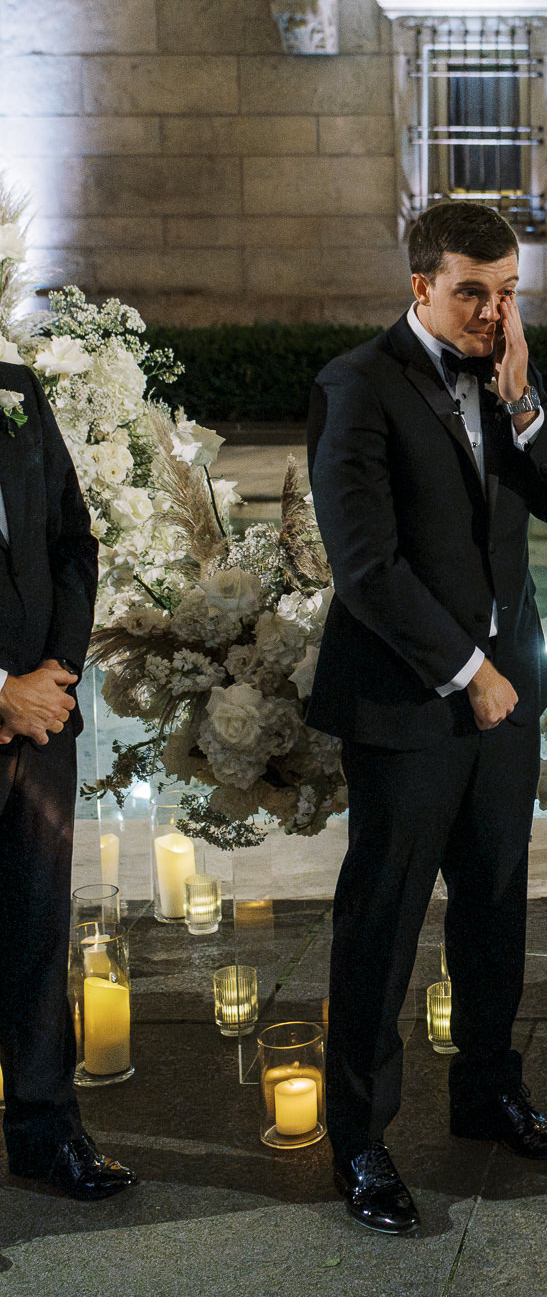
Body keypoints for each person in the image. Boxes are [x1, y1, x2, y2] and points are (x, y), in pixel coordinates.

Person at [307, 200, 547, 1236]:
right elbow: (366, 566)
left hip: (509, 704)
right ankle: (359, 1142)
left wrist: (524, 405)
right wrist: (467, 671)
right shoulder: (357, 384)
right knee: (381, 926)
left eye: (507, 292)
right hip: (408, 705)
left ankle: (487, 1093)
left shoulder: (507, 373)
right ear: (421, 285)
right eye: (472, 292)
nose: (492, 311)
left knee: (494, 908)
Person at [0, 352, 134, 1201]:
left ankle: (46, 1134)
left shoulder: (15, 390)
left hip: (42, 721)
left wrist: (54, 675)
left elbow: (71, 541)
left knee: (39, 933)